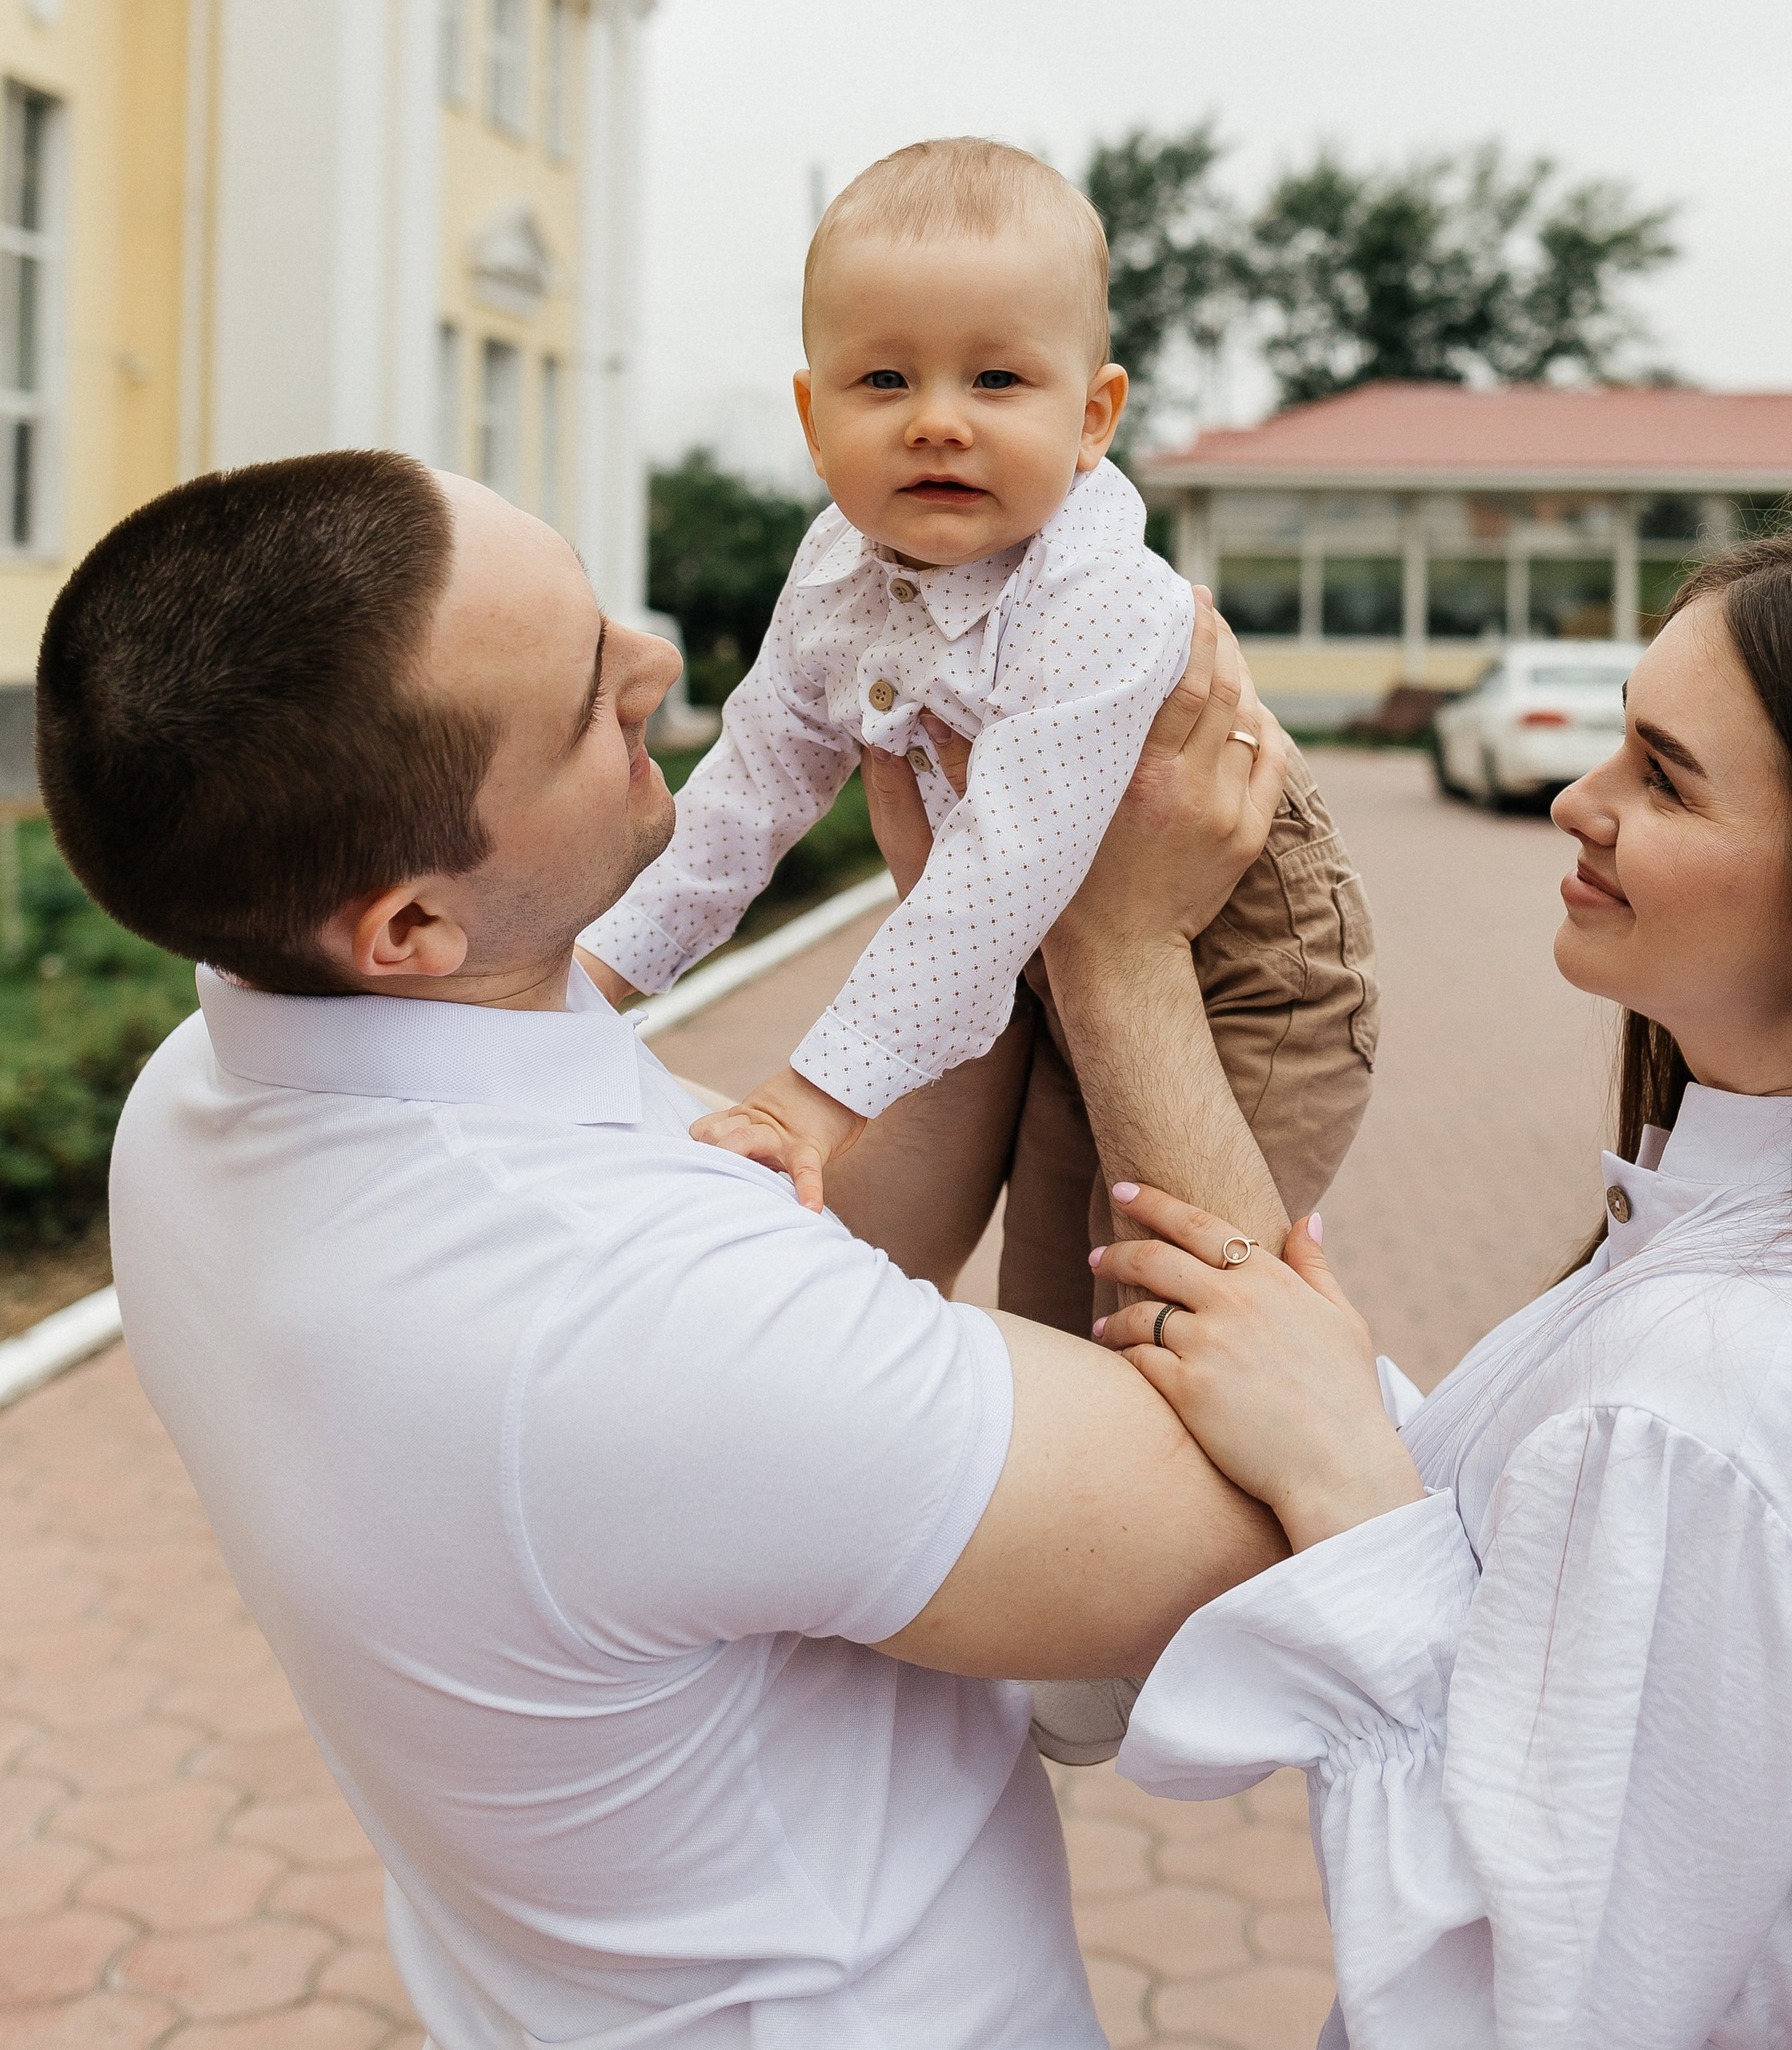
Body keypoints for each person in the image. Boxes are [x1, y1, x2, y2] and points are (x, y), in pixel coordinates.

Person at [39, 450, 1299, 2050]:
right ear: (412, 926)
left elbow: (780, 1246)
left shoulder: (204, 1095)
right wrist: (1120, 957)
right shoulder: (621, 1323)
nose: (656, 661)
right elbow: (1285, 1524)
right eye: (581, 697)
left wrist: (967, 925)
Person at [1088, 528, 1792, 2050]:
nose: (1573, 799)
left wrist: (1348, 1489)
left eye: (1664, 775)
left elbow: (1521, 2012)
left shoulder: (1705, 1413)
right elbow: (1518, 1544)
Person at [582, 134, 1377, 1322]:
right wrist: (583, 977)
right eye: (884, 382)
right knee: (1046, 1299)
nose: (938, 422)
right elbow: (748, 792)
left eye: (997, 382)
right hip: (1028, 942)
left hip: (1243, 967)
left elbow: (1002, 871)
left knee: (1147, 1292)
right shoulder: (836, 569)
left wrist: (816, 1097)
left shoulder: (1099, 596)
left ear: (1093, 415)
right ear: (812, 415)